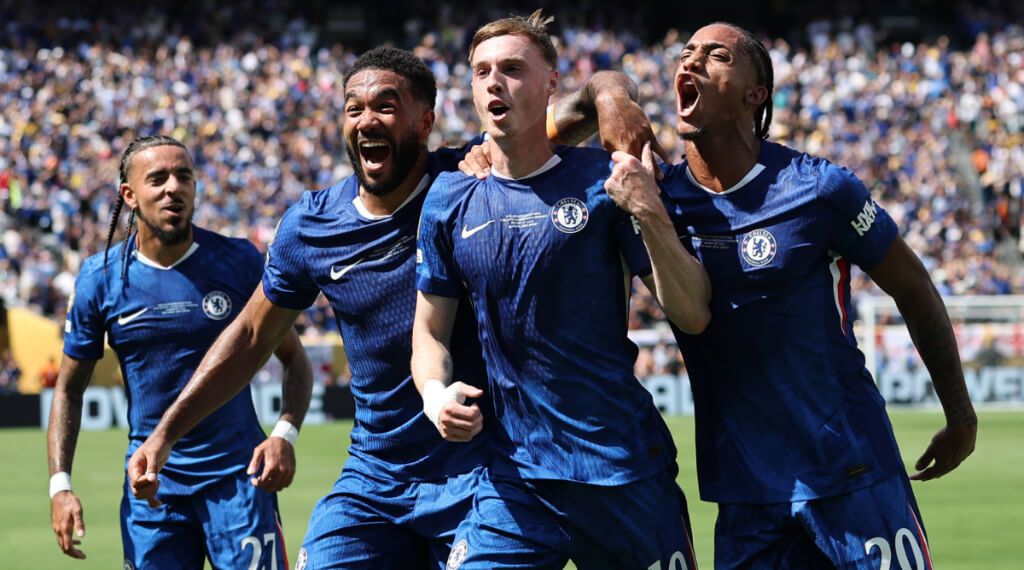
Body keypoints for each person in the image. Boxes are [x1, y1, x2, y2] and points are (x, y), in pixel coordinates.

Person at [127, 47, 658, 569]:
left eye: (385, 106)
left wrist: (611, 95)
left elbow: (566, 113)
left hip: (481, 472)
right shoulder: (312, 226)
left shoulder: (468, 180)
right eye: (353, 108)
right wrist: (165, 433)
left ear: (425, 121)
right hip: (375, 477)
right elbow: (249, 337)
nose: (366, 120)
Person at [605, 22, 978, 569]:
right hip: (746, 494)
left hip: (852, 473)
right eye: (686, 53)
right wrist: (610, 93)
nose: (691, 62)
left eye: (716, 55)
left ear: (756, 94)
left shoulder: (819, 189)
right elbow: (545, 128)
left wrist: (960, 415)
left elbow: (914, 287)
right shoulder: (655, 201)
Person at [412, 12, 710, 569]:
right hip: (515, 480)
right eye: (482, 71)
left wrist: (648, 209)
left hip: (622, 470)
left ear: (551, 83)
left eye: (512, 69)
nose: (494, 83)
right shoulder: (449, 199)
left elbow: (692, 312)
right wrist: (435, 395)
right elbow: (429, 332)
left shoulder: (603, 180)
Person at [47, 135, 313, 568]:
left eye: (183, 176)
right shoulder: (100, 279)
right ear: (129, 195)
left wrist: (285, 433)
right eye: (158, 179)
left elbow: (295, 360)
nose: (174, 187)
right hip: (152, 484)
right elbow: (68, 390)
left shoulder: (238, 261)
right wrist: (60, 485)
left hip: (239, 480)